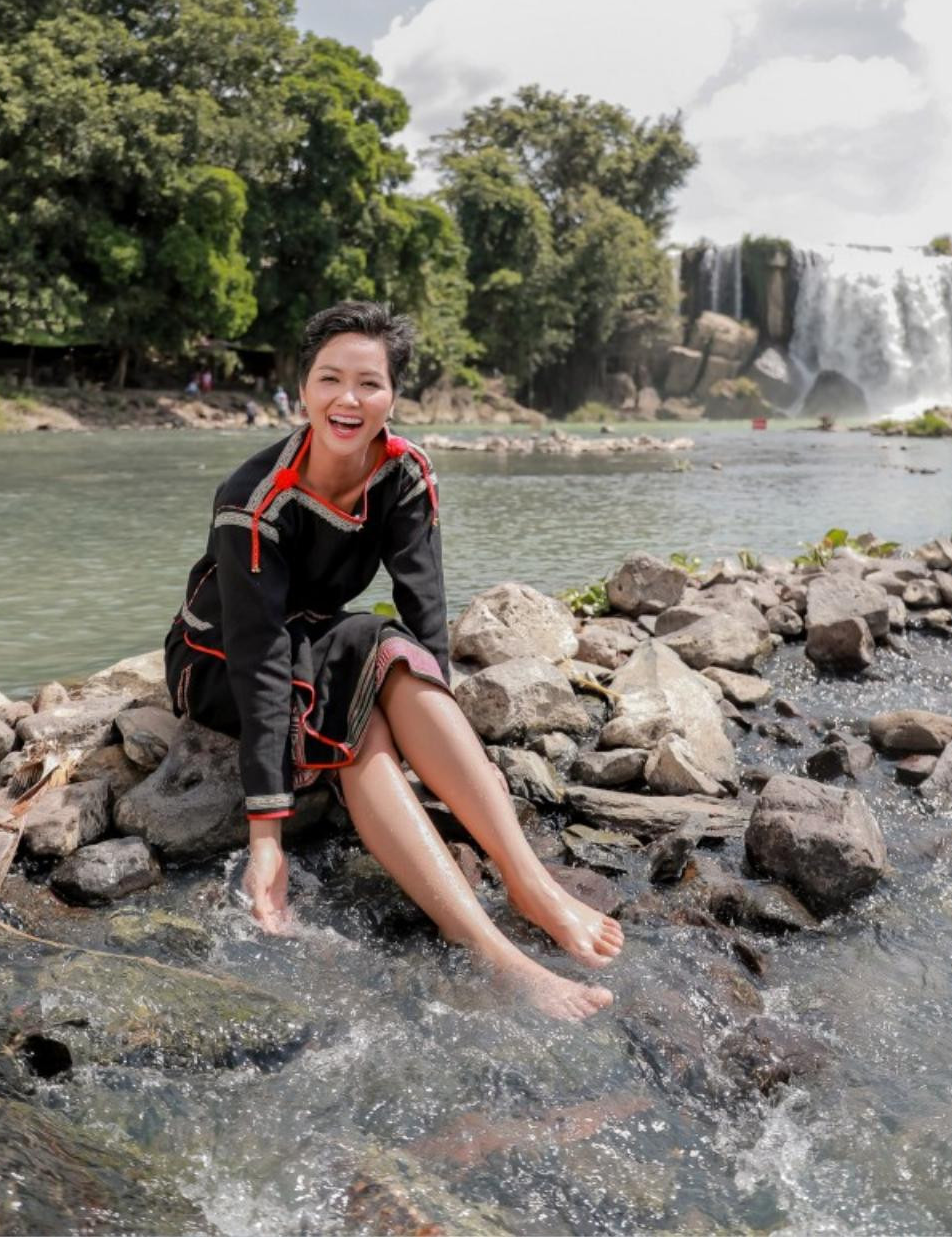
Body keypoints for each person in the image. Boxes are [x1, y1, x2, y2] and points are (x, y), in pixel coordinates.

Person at [164, 301, 620, 1020]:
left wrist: (437, 731)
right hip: (219, 659)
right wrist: (266, 839)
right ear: (303, 387)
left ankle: (529, 882)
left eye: (368, 384)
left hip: (317, 636)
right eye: (329, 379)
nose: (348, 400)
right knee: (357, 726)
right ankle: (493, 954)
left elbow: (425, 612)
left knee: (395, 652)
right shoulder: (254, 499)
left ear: (393, 396)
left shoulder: (406, 473)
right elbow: (259, 663)